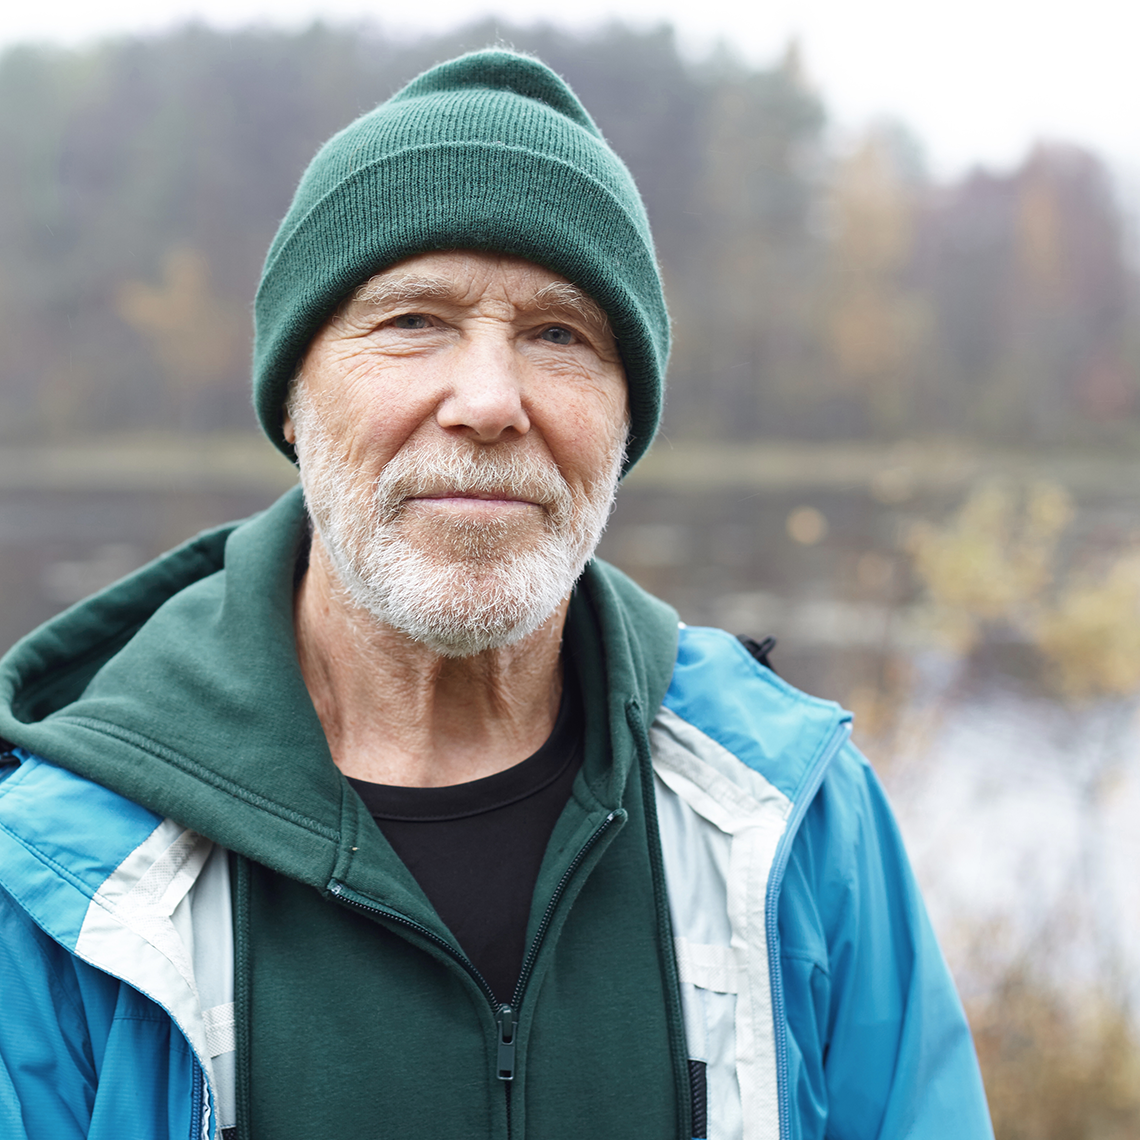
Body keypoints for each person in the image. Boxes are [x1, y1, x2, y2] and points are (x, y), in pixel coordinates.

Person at [0, 49, 993, 1140]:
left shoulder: (792, 818)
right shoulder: (58, 871)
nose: (487, 400)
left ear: (625, 422)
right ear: (293, 396)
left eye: (558, 334)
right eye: (413, 321)